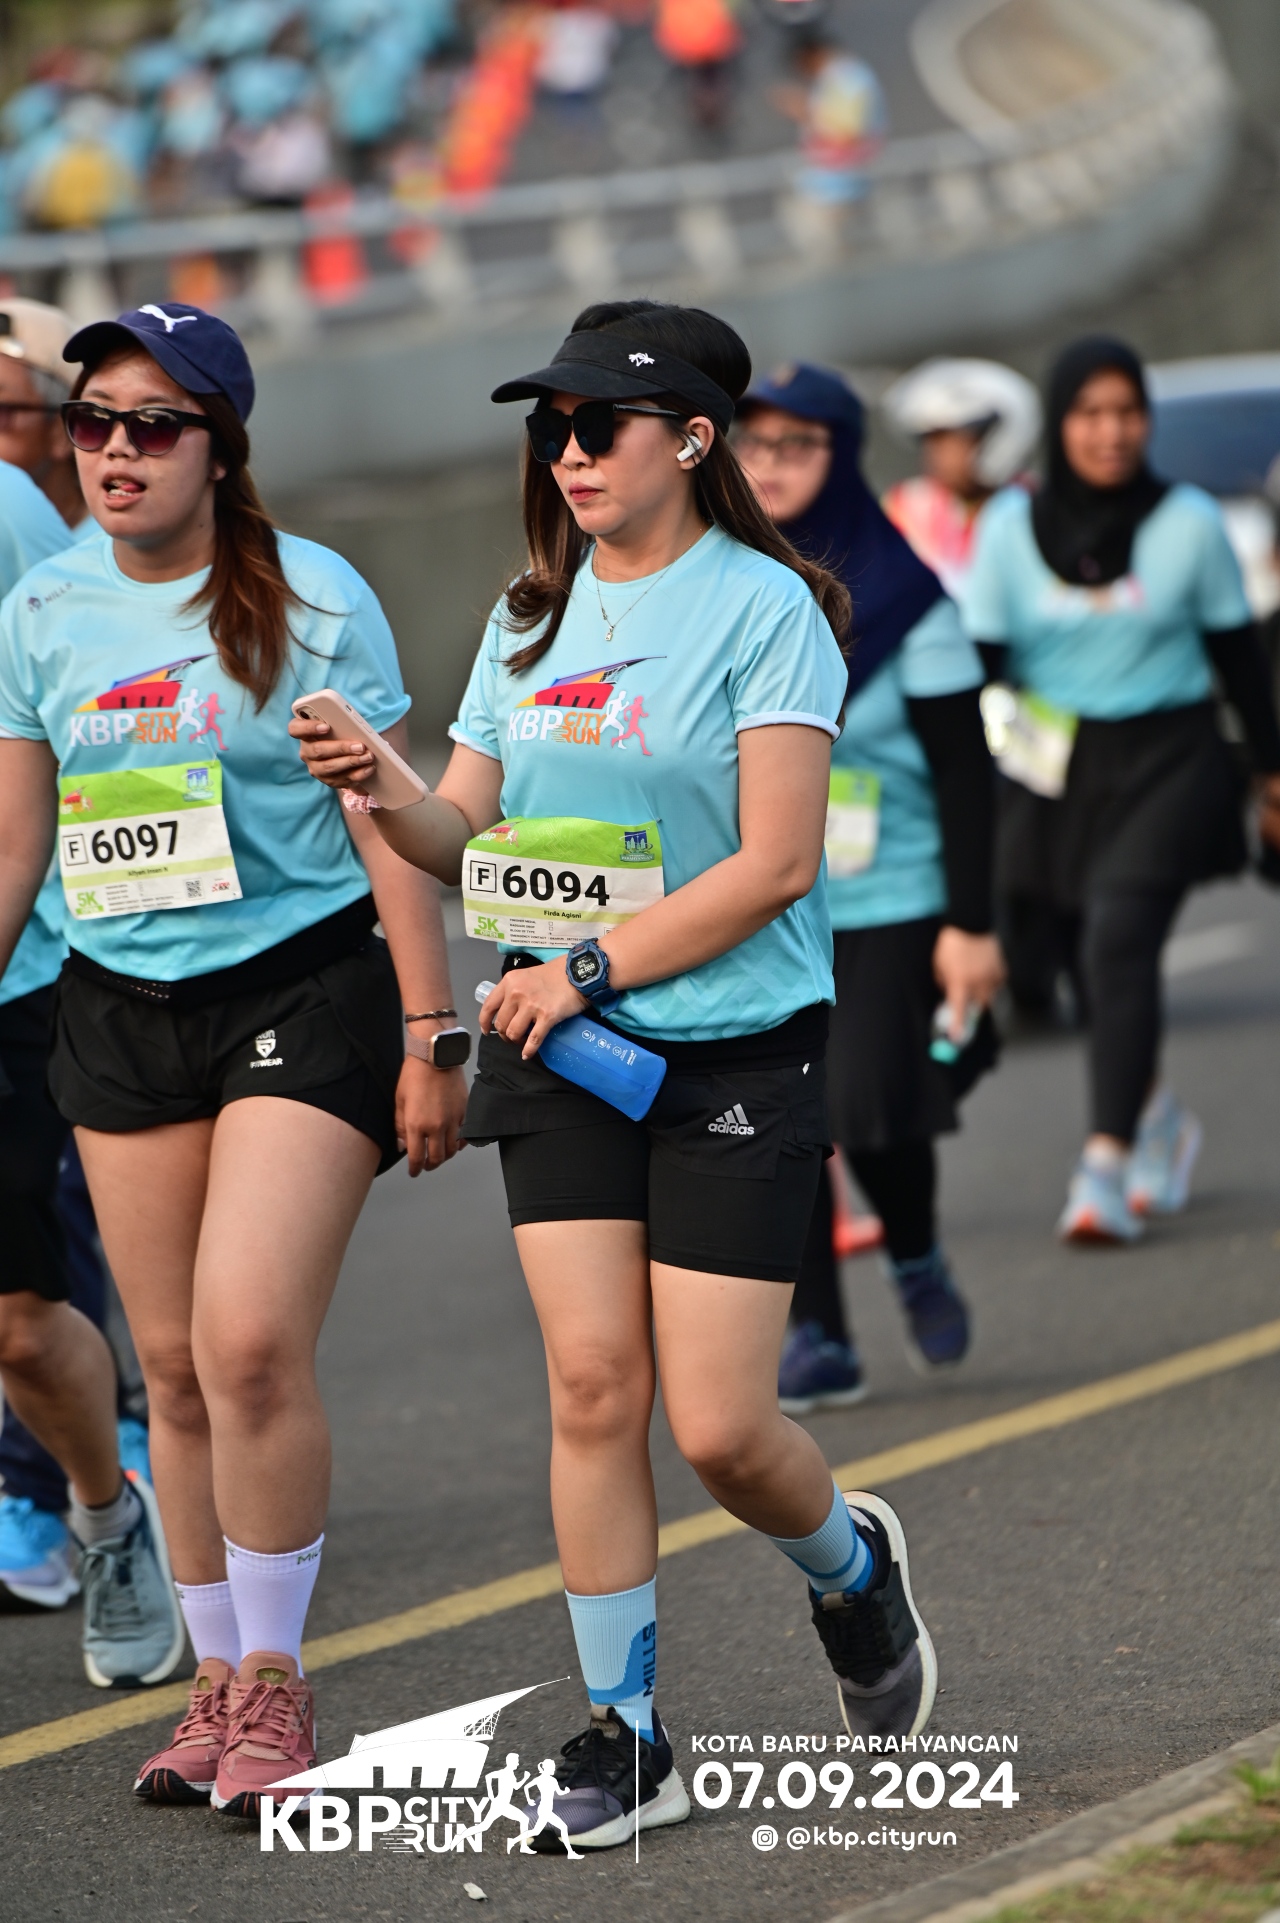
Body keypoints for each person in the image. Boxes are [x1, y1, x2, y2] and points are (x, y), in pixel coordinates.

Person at [295, 298, 939, 1852]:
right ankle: (626, 1728)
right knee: (592, 1384)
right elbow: (465, 834)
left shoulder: (771, 608)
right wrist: (381, 783)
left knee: (720, 1429)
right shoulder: (531, 612)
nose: (569, 452)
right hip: (560, 1051)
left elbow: (778, 862)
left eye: (600, 423)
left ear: (695, 437)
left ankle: (852, 1566)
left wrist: (587, 964)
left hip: (727, 1047)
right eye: (553, 427)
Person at [0, 302, 467, 1814]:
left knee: (251, 1340)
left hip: (299, 990)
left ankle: (274, 1677)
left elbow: (384, 827)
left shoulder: (311, 595)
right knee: (178, 1369)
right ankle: (211, 1684)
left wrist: (430, 1030)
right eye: (91, 422)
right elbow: (16, 843)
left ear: (219, 446)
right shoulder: (42, 609)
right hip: (118, 1003)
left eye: (154, 425)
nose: (115, 451)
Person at [964, 336, 1280, 1242]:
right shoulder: (1008, 528)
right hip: (1050, 768)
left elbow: (1239, 659)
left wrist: (1271, 771)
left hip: (1171, 758)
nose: (1112, 432)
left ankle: (1104, 1163)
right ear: (1058, 424)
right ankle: (1158, 1116)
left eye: (1128, 413)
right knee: (1080, 956)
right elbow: (979, 665)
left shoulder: (1189, 522)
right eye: (1090, 414)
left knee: (1118, 937)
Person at [736, 364, 1002, 1410]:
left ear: (841, 454)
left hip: (888, 890)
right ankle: (820, 1333)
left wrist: (972, 924)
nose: (770, 465)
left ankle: (915, 1252)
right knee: (784, 1111)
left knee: (873, 1106)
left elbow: (966, 775)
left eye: (796, 444)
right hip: (758, 898)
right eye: (753, 443)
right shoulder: (721, 591)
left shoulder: (907, 599)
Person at [0, 295, 151, 1624]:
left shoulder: (14, 520)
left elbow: (86, 692)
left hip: (36, 952)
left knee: (31, 1290)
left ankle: (81, 1492)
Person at [881, 358, 1041, 601]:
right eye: (930, 441)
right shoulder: (907, 507)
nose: (934, 454)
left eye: (947, 440)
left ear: (990, 438)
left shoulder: (1031, 505)